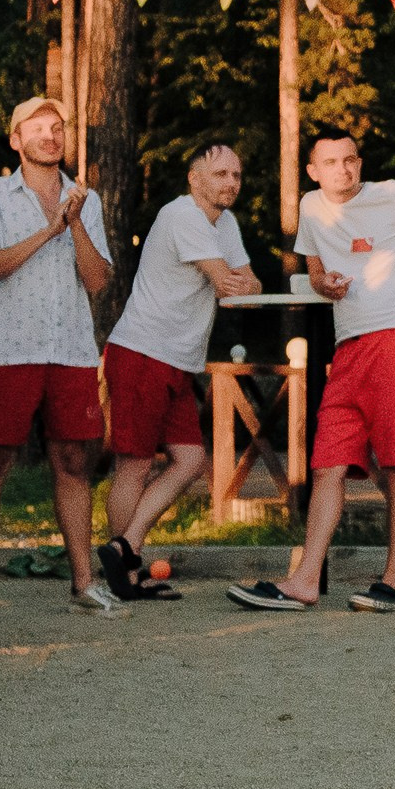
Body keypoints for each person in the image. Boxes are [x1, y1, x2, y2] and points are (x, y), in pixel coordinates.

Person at [228, 128, 395, 614]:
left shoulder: (394, 194)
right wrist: (326, 284)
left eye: (350, 160)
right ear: (313, 171)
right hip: (349, 344)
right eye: (331, 162)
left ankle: (392, 583)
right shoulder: (311, 206)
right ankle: (304, 581)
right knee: (328, 465)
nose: (342, 169)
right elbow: (316, 271)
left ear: (359, 163)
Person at [0, 97, 124, 625]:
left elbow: (96, 280)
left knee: (74, 464)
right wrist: (51, 229)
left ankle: (84, 584)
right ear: (16, 140)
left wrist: (74, 224)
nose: (50, 136)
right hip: (7, 350)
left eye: (57, 128)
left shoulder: (85, 200)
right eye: (38, 128)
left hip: (69, 349)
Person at [96, 145, 259, 599]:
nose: (231, 183)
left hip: (178, 360)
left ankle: (124, 547)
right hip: (142, 351)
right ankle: (126, 574)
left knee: (189, 460)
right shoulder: (181, 215)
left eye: (236, 175)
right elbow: (227, 284)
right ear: (194, 178)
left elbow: (251, 283)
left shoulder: (225, 223)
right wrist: (234, 279)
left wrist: (237, 280)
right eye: (220, 174)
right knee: (134, 465)